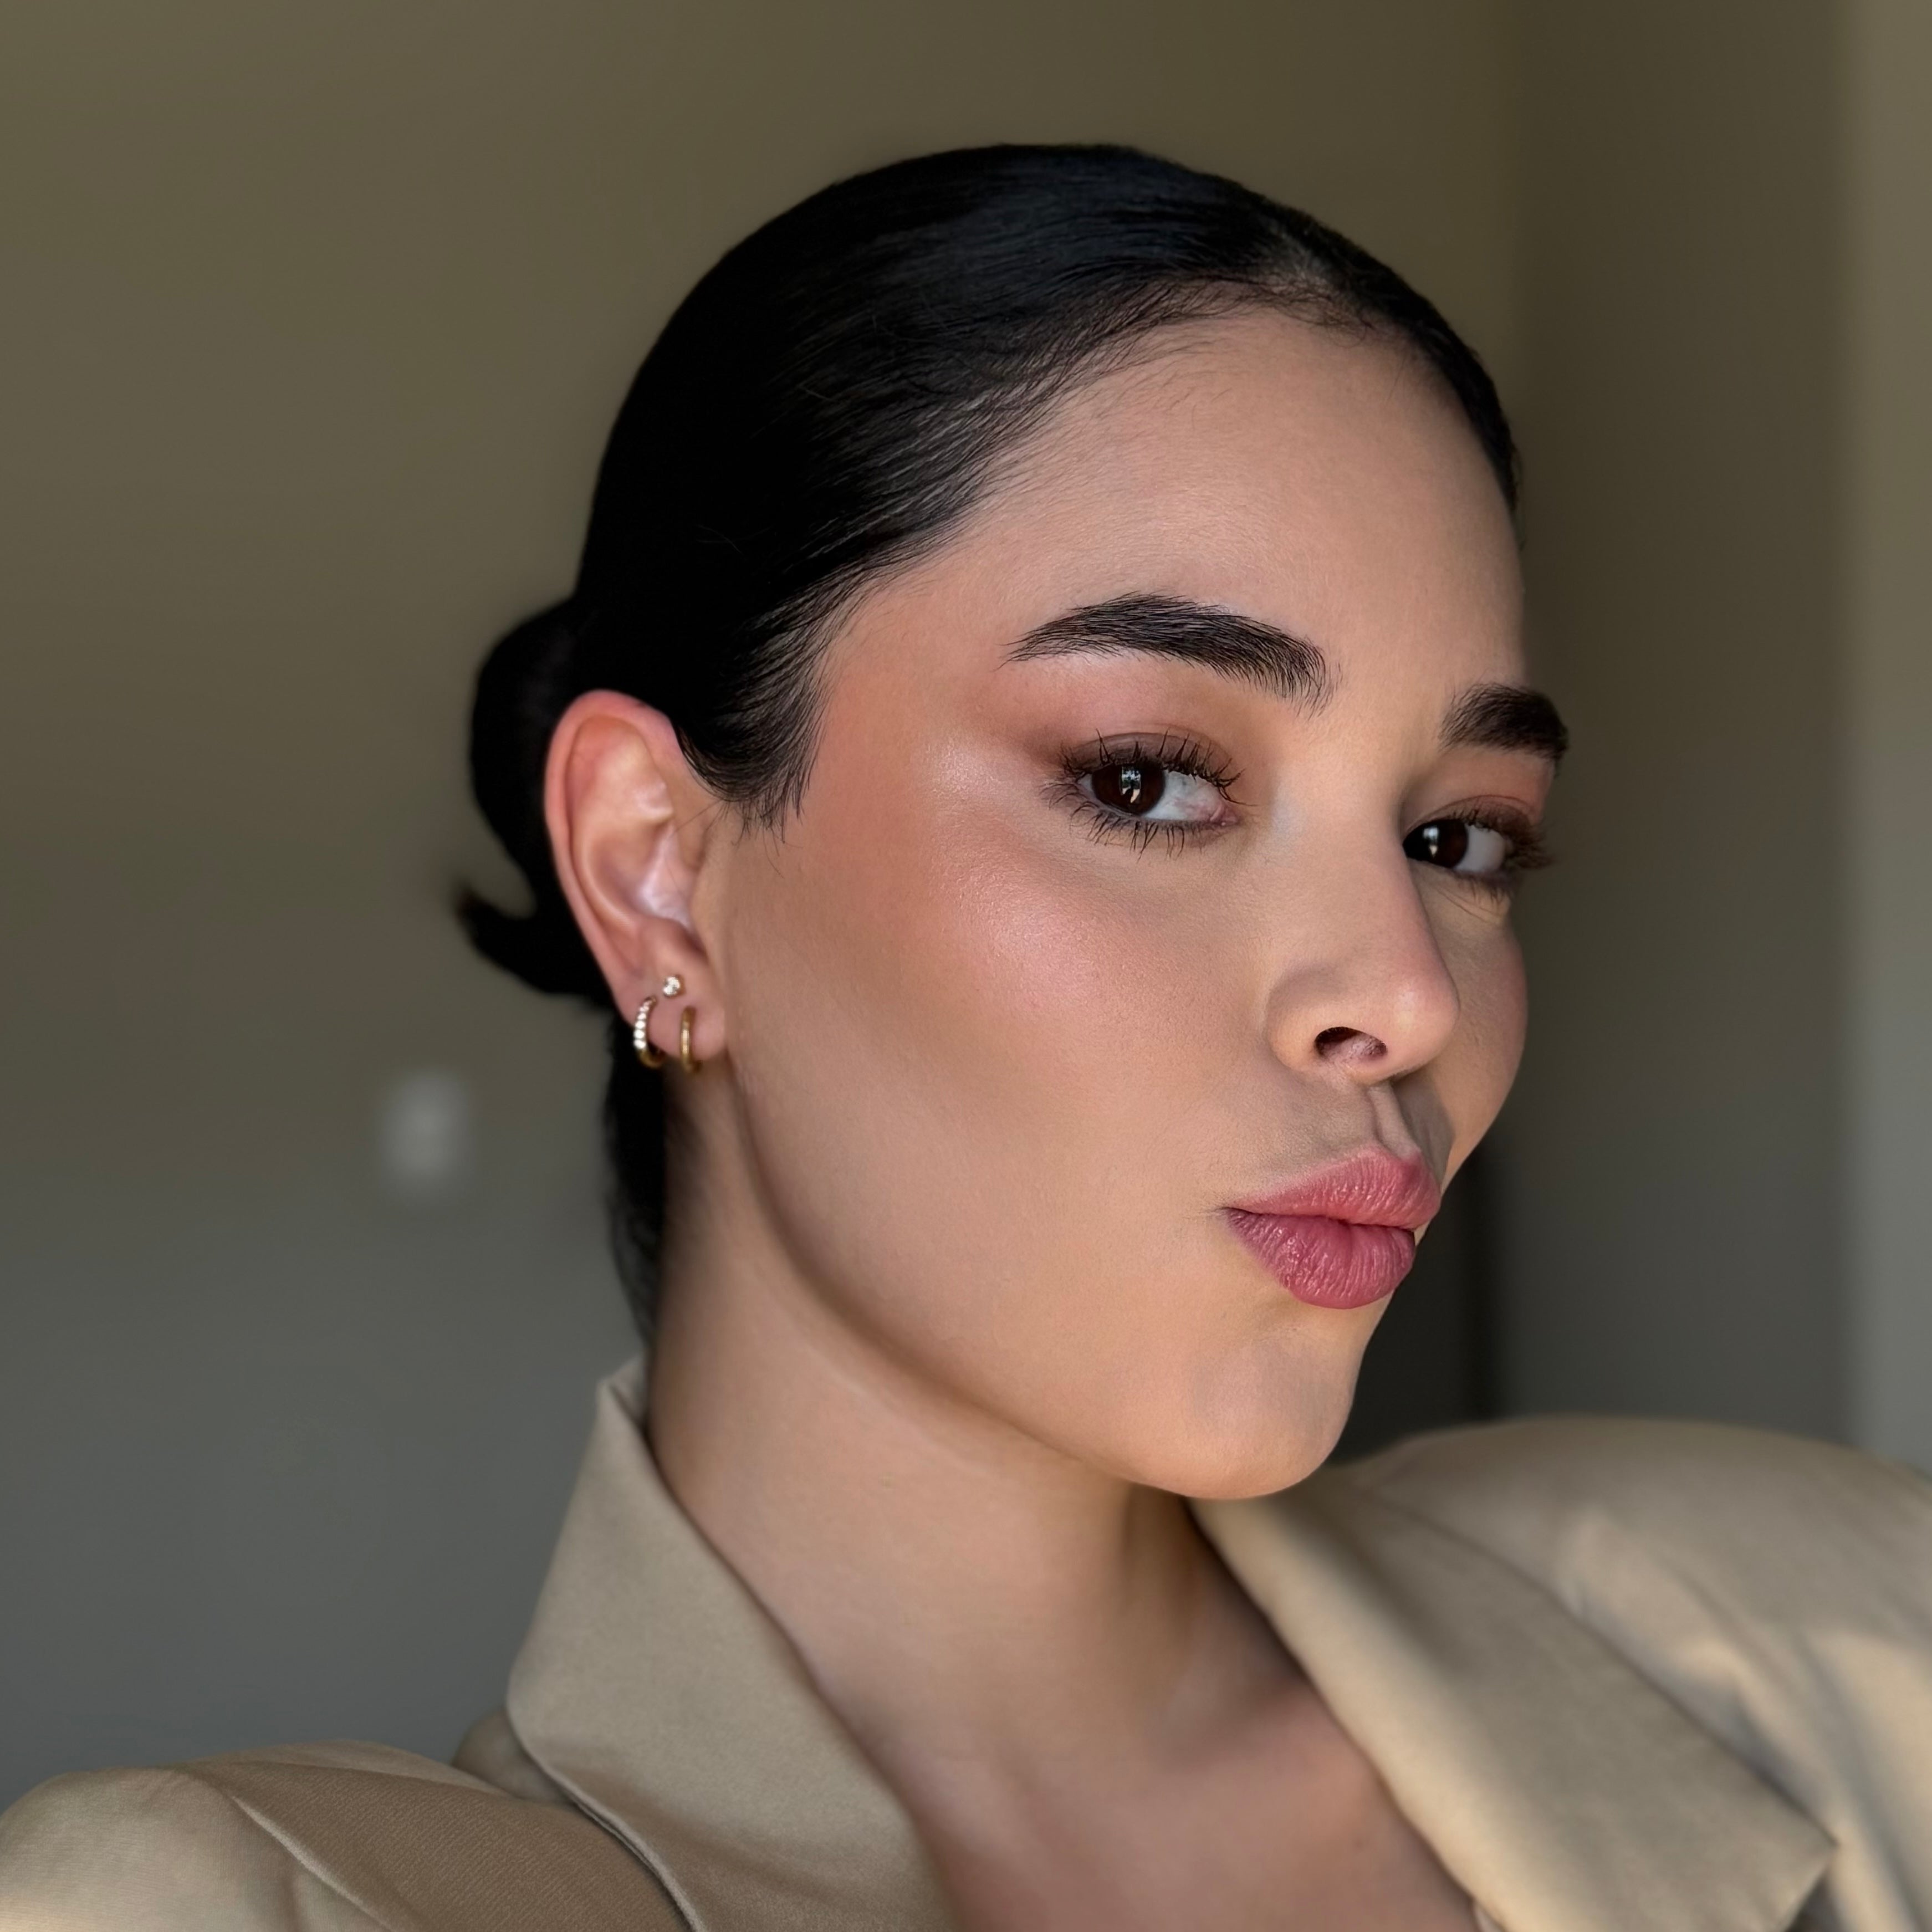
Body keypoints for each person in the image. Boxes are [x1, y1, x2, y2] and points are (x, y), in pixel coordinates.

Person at [2, 143, 1927, 1932]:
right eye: (1148, 779)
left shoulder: (1842, 1644)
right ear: (660, 872)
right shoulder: (229, 1905)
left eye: (1459, 839)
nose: (1408, 994)